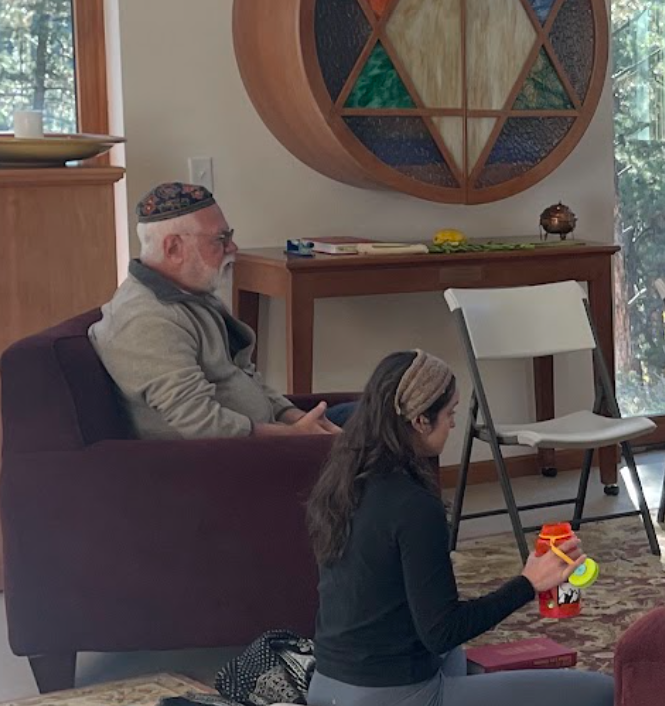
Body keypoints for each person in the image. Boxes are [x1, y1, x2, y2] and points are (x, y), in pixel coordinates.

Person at [305, 350, 614, 706]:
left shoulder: (341, 479)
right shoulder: (414, 505)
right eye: (449, 413)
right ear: (421, 420)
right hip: (394, 694)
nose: (453, 424)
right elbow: (442, 630)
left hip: (327, 686)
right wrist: (529, 583)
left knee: (456, 659)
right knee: (604, 691)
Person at [90, 181, 345, 439]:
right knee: (378, 433)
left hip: (268, 435)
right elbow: (199, 422)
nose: (232, 248)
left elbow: (245, 378)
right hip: (231, 458)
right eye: (220, 239)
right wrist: (292, 435)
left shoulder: (191, 295)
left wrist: (298, 419)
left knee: (374, 412)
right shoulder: (145, 320)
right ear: (173, 248)